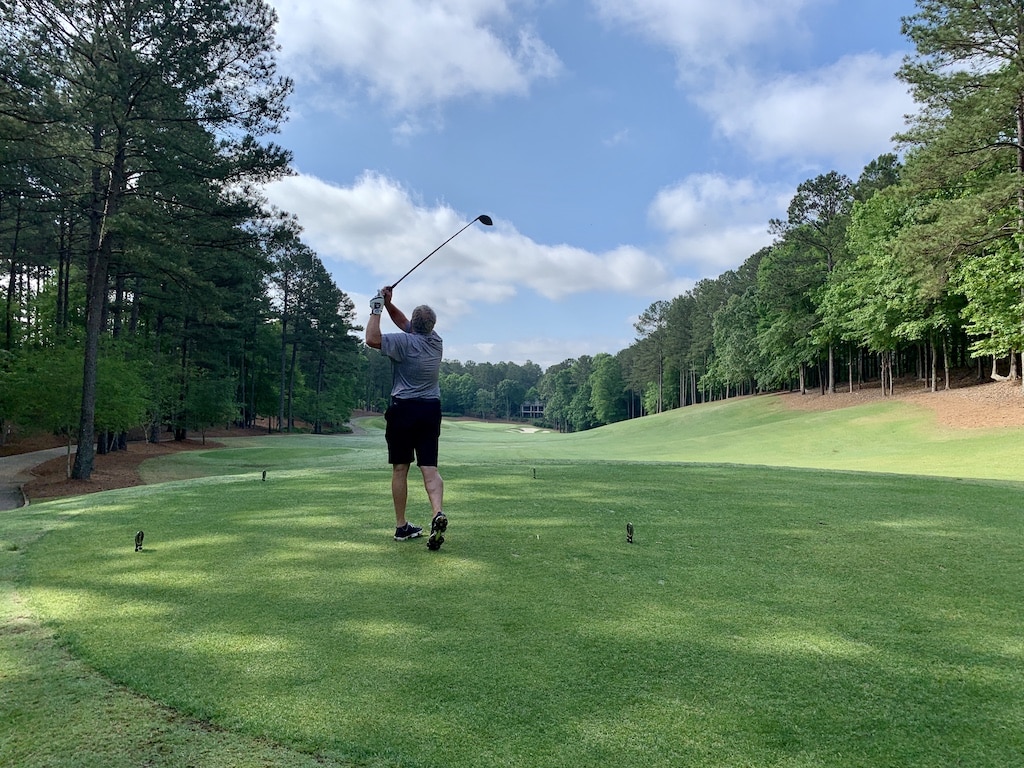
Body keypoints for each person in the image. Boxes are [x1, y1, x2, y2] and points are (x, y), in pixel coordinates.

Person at [366, 286, 449, 550]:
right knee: (430, 469)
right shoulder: (436, 342)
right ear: (432, 325)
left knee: (401, 468)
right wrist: (390, 304)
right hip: (429, 410)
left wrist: (377, 308)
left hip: (402, 410)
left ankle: (401, 526)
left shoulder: (402, 343)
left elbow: (372, 338)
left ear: (414, 325)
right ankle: (437, 512)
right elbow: (406, 323)